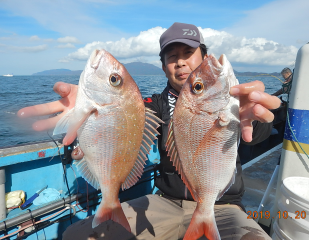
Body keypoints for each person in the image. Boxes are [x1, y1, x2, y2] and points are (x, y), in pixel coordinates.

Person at [18, 22, 280, 240]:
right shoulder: (152, 106)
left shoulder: (231, 98)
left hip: (221, 206)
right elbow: (127, 120)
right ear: (163, 64)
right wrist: (90, 109)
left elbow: (257, 134)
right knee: (77, 236)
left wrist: (251, 117)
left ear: (202, 55)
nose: (179, 63)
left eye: (187, 53)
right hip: (165, 202)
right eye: (171, 56)